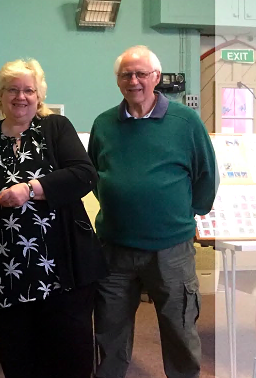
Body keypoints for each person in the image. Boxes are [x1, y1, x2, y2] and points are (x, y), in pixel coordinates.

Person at [0, 58, 106, 378]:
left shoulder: (55, 128)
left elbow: (84, 175)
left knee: (69, 358)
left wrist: (31, 189)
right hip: (3, 271)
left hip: (58, 270)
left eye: (29, 90)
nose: (21, 97)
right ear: (1, 95)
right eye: (13, 90)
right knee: (17, 358)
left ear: (39, 96)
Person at [89, 45, 218, 378]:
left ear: (156, 78)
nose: (134, 81)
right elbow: (94, 176)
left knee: (179, 327)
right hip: (115, 247)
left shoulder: (185, 121)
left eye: (141, 74)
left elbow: (206, 174)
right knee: (109, 327)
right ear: (118, 81)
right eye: (126, 75)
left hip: (171, 249)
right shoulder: (104, 124)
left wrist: (181, 215)